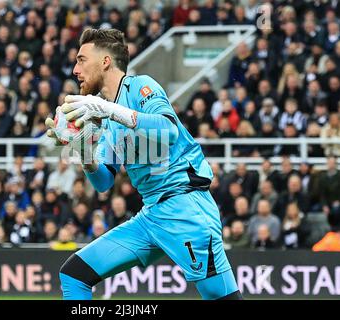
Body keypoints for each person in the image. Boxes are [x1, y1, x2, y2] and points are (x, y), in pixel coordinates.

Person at [45, 28, 241, 300]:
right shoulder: (105, 116)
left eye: (81, 60)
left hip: (185, 209)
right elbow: (104, 182)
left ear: (105, 62)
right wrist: (84, 150)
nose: (76, 69)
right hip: (150, 215)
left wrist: (108, 110)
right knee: (74, 274)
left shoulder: (139, 87)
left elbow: (168, 129)